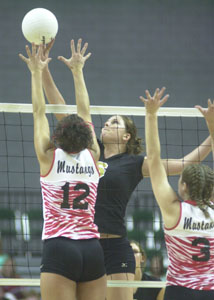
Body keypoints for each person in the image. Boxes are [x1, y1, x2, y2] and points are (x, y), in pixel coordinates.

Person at [41, 39, 212, 300]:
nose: (107, 124)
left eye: (115, 122)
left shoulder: (136, 163)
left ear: (127, 137)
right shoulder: (89, 150)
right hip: (82, 241)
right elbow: (61, 109)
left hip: (114, 244)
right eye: (107, 121)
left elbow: (187, 164)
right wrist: (42, 70)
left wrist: (212, 135)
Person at [19, 41, 106, 300]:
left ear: (57, 137)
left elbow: (38, 113)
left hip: (59, 246)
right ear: (87, 137)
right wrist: (77, 71)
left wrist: (35, 73)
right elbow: (85, 111)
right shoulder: (94, 156)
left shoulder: (48, 158)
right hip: (92, 248)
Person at [141, 89, 214, 300]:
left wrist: (151, 115)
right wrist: (212, 124)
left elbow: (154, 159)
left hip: (179, 291)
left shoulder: (174, 210)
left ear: (182, 186)